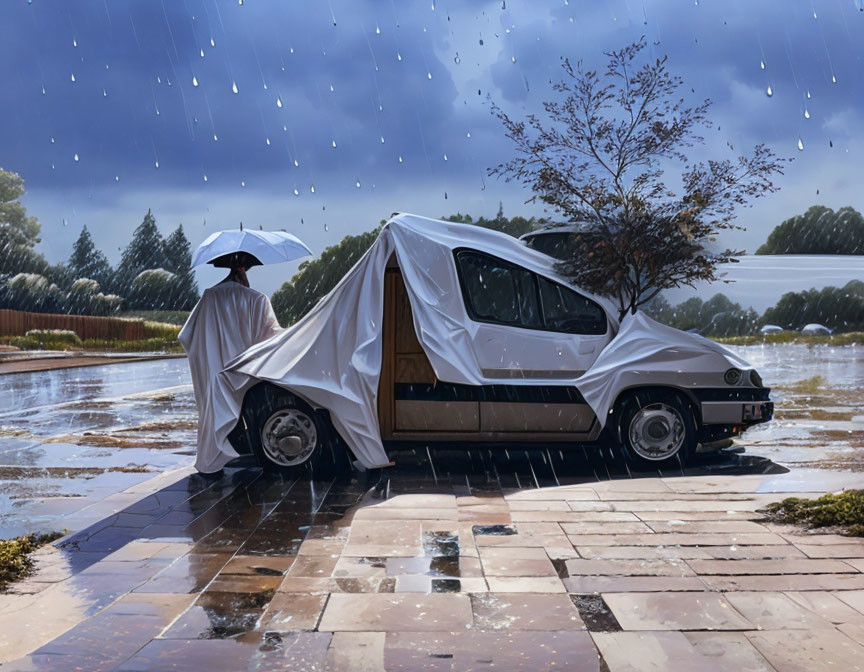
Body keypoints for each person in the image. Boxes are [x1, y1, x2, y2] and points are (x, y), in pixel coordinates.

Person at [178, 252, 281, 477]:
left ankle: (214, 457)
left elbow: (187, 336)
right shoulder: (257, 299)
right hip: (246, 372)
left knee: (215, 410)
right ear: (245, 269)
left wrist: (209, 355)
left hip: (216, 372)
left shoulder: (209, 297)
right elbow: (272, 339)